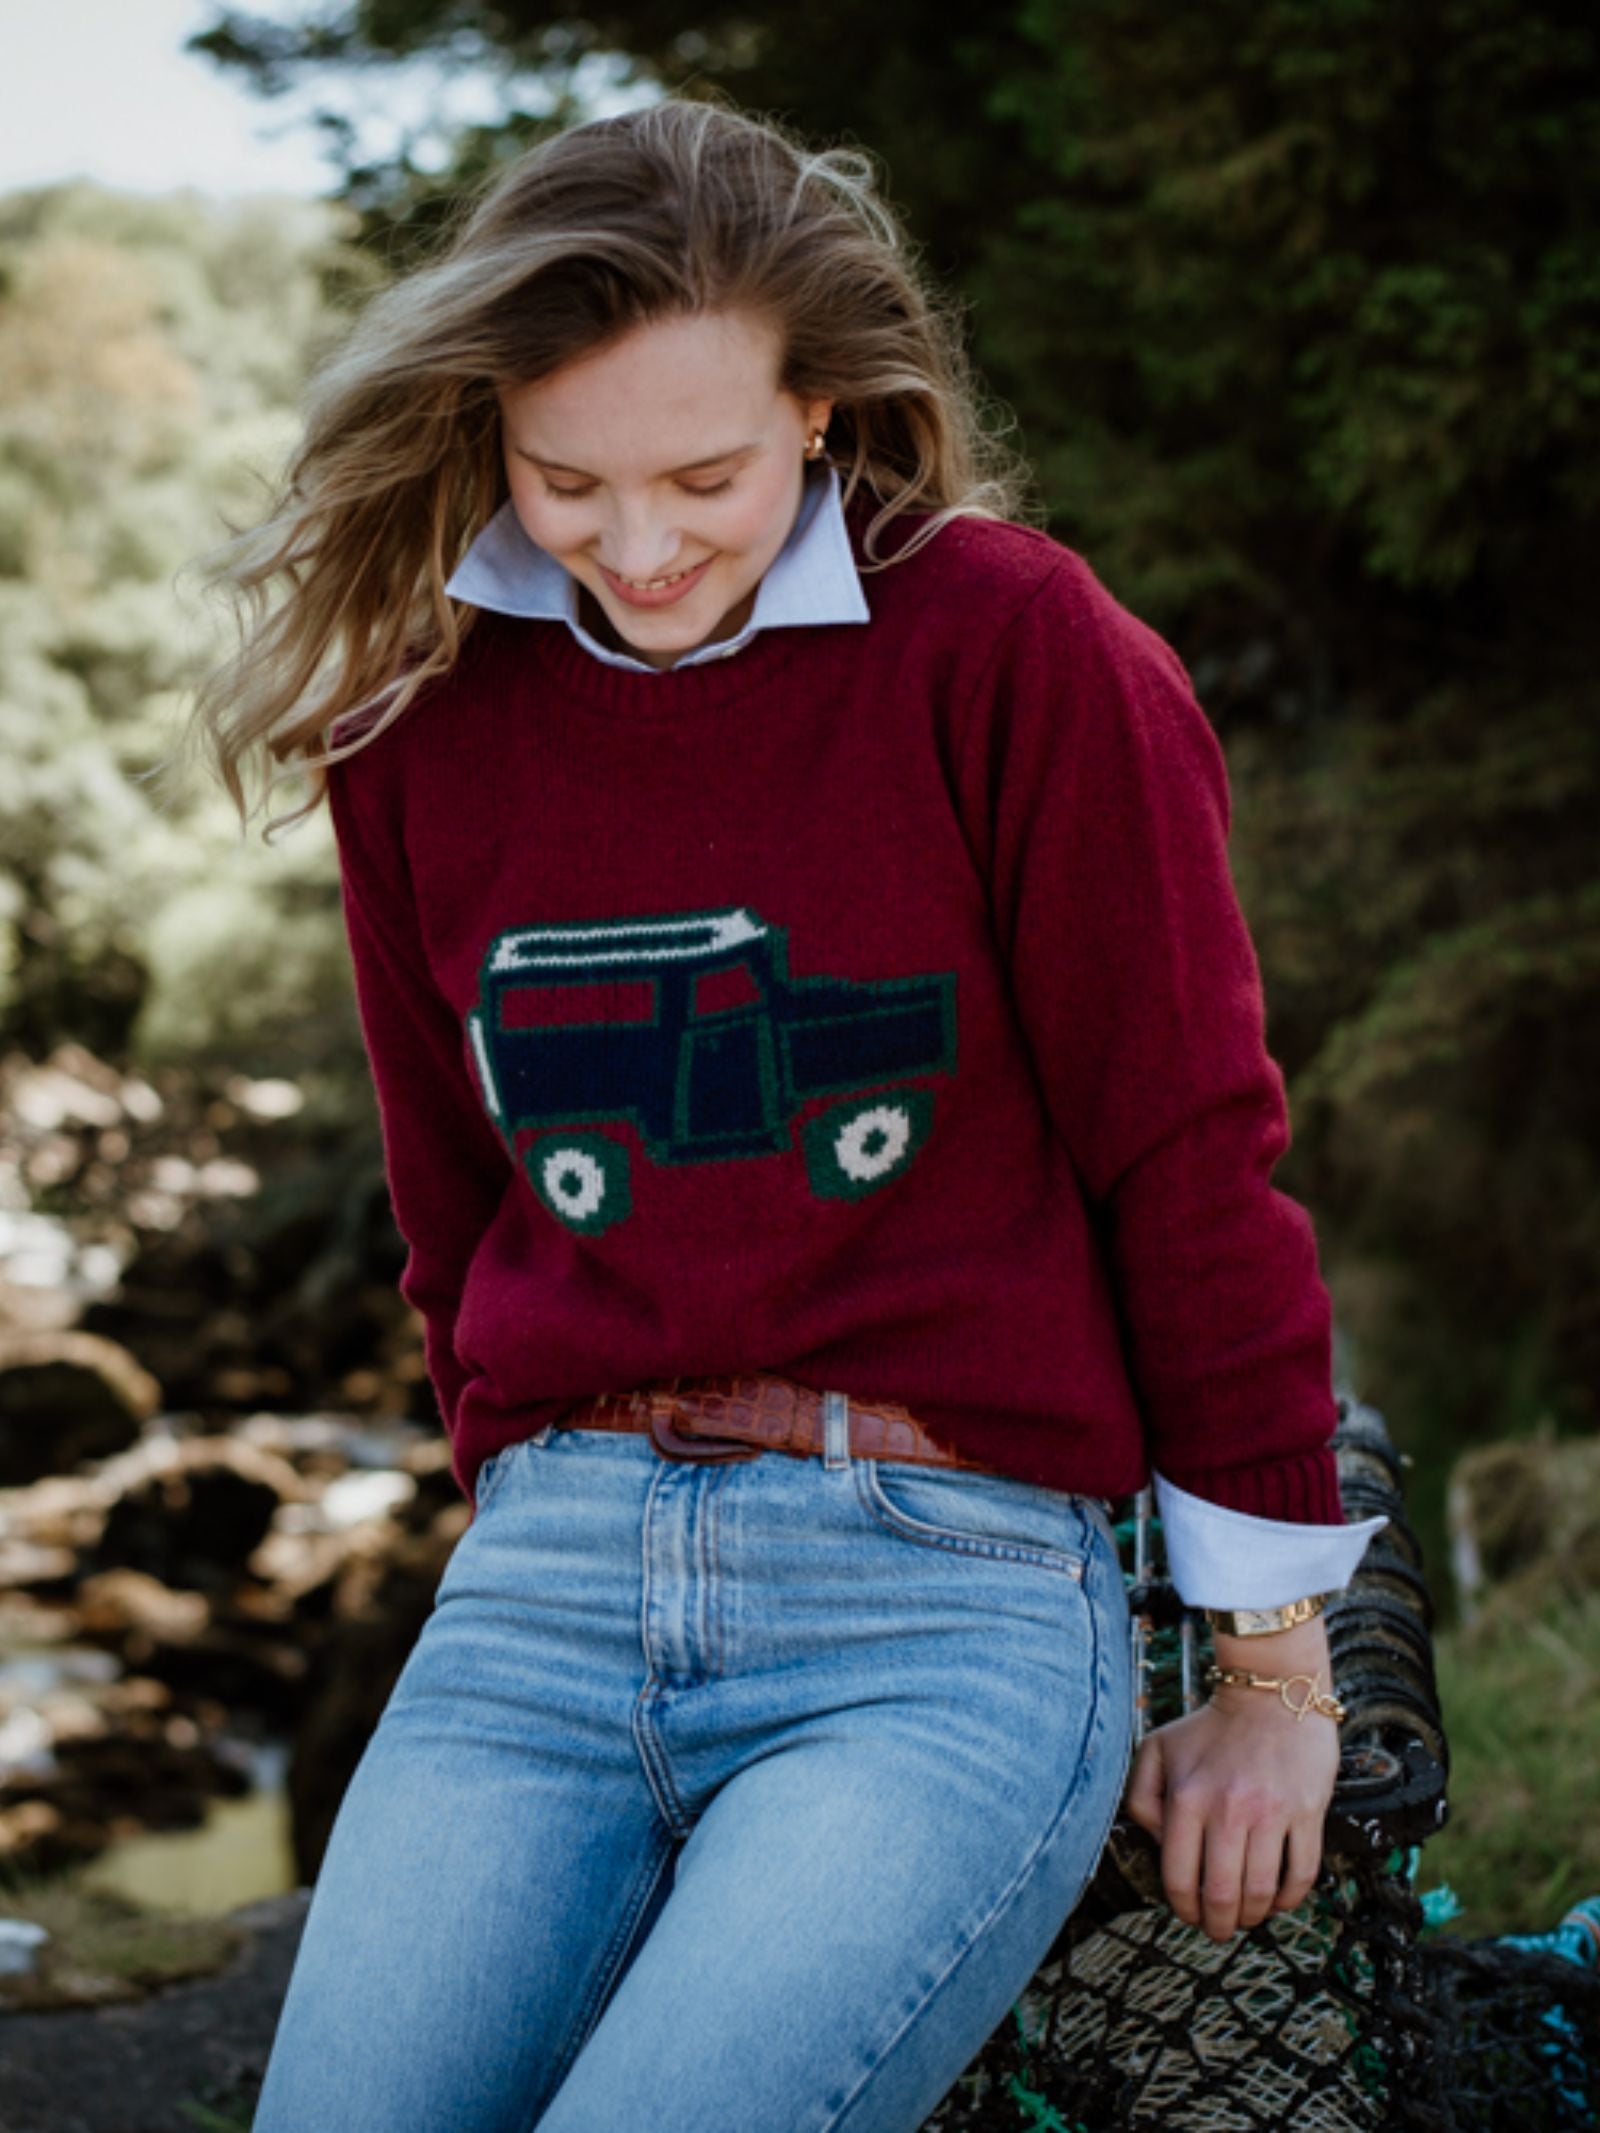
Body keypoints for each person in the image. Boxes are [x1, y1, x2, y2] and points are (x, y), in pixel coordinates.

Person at [188, 95, 1386, 2133]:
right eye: (564, 479)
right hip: (549, 1588)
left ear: (823, 405)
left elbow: (1183, 1154)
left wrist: (1269, 1675)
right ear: (486, 427)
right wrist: (520, 1480)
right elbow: (452, 1206)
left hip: (941, 1594)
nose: (638, 544)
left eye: (704, 472)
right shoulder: (419, 724)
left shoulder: (1013, 650)